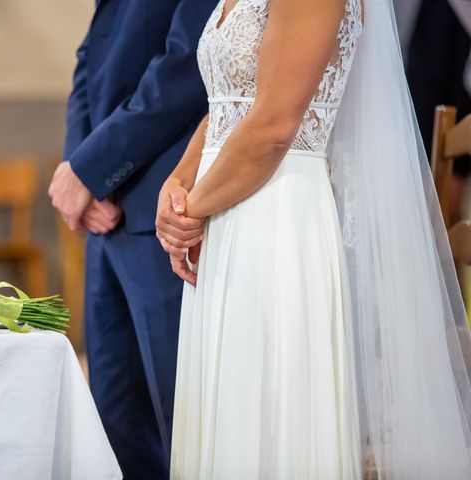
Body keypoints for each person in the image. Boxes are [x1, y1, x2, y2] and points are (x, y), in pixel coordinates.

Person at [156, 0, 471, 478]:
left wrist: (191, 212)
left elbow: (274, 127)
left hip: (275, 219)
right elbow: (227, 103)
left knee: (269, 417)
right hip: (225, 207)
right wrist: (175, 187)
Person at [48, 0, 217, 478]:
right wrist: (80, 169)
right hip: (104, 216)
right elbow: (91, 57)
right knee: (115, 422)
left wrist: (93, 170)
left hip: (165, 209)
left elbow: (185, 65)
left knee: (178, 416)